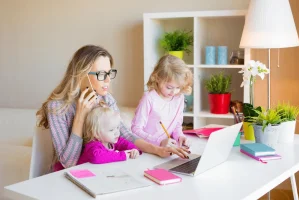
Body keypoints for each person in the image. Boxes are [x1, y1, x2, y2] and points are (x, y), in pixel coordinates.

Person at [36, 45, 189, 171]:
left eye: (110, 73)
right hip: (70, 176)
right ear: (81, 74)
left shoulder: (106, 99)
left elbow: (126, 135)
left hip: (101, 170)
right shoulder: (57, 108)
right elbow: (69, 163)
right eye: (102, 74)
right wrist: (80, 116)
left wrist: (158, 149)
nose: (108, 80)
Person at [131, 55, 193, 152]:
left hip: (167, 150)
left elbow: (176, 126)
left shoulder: (179, 98)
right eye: (169, 87)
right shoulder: (149, 98)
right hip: (147, 150)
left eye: (178, 88)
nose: (173, 92)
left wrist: (180, 136)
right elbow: (136, 130)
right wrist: (159, 141)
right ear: (157, 78)